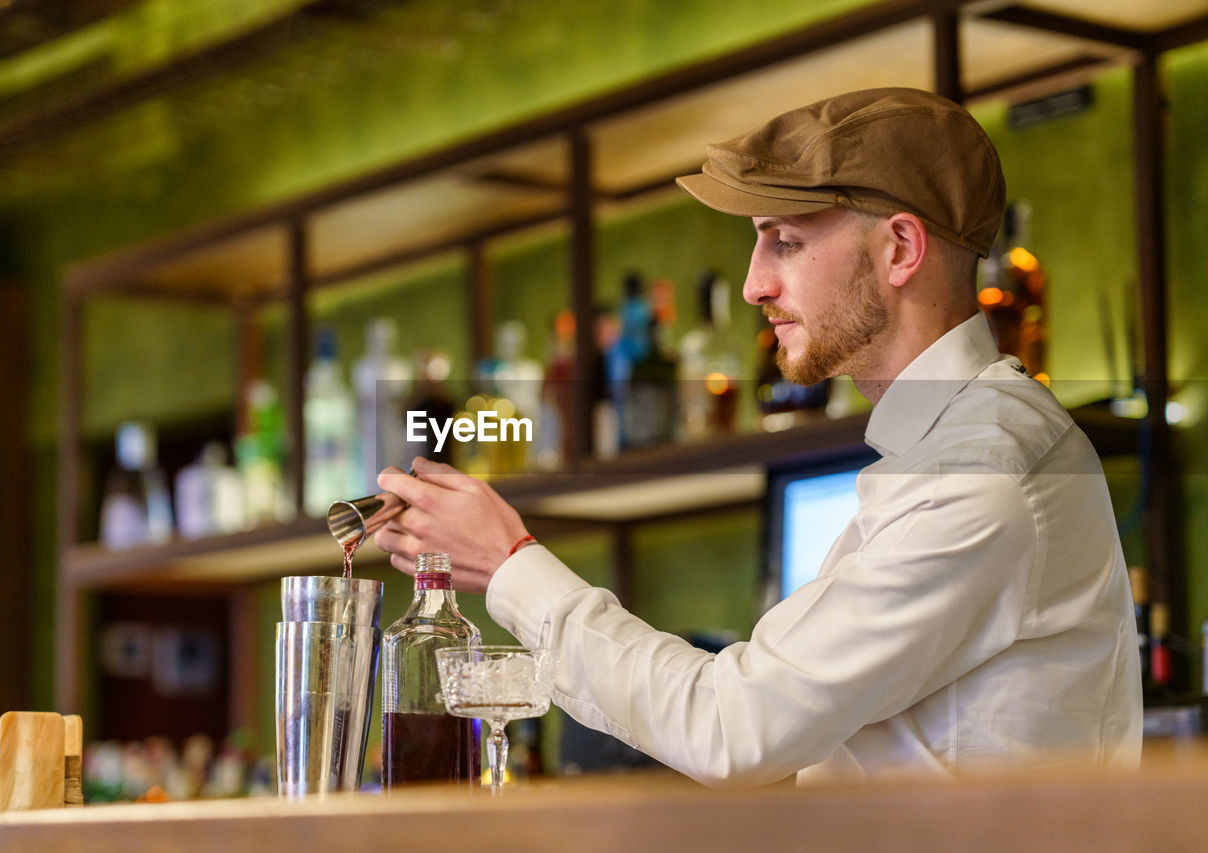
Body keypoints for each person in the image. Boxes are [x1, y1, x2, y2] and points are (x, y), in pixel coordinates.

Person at [373, 88, 1142, 787]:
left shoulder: (982, 470)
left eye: (786, 241)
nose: (753, 284)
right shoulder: (946, 451)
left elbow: (734, 725)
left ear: (902, 249)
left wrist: (510, 563)